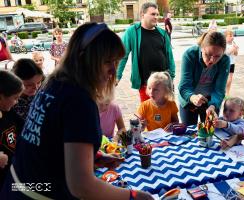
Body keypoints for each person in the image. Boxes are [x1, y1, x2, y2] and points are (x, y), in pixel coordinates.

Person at [0, 22, 153, 200]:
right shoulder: (79, 100)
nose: (113, 70)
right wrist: (134, 196)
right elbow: (81, 186)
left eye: (116, 62)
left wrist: (92, 157)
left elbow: (50, 139)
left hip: (17, 185)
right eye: (107, 62)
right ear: (86, 61)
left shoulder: (53, 83)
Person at [117, 2, 175, 102]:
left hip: (164, 82)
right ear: (142, 15)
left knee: (167, 113)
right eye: (153, 14)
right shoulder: (132, 31)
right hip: (146, 85)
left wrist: (172, 77)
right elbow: (122, 55)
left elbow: (170, 57)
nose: (156, 17)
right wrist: (117, 76)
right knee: (148, 114)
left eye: (157, 14)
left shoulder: (163, 33)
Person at [178, 31, 230, 126]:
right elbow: (184, 86)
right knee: (189, 133)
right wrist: (192, 97)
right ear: (201, 48)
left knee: (209, 133)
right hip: (189, 100)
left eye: (217, 56)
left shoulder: (225, 60)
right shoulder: (190, 55)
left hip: (210, 101)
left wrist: (213, 105)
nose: (212, 60)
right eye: (208, 54)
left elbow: (219, 90)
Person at [0, 70, 24, 189]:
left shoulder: (9, 113)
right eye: (15, 98)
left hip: (12, 175)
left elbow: (25, 127)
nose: (17, 102)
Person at [224, 30, 239, 97]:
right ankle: (223, 92)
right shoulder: (224, 44)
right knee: (226, 78)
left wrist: (236, 49)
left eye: (233, 35)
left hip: (232, 63)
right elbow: (226, 53)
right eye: (230, 36)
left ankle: (227, 93)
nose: (232, 37)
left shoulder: (233, 43)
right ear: (225, 37)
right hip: (226, 63)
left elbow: (236, 54)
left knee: (230, 78)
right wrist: (233, 49)